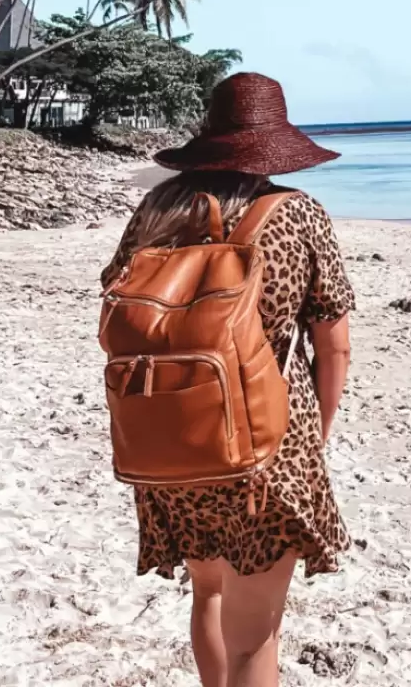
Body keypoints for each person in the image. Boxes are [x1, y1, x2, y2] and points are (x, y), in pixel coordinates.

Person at [101, 73, 353, 687]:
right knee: (254, 637)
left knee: (208, 594)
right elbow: (334, 341)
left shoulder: (159, 209)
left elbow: (120, 302)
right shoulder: (297, 215)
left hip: (175, 430)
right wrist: (315, 434)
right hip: (268, 443)